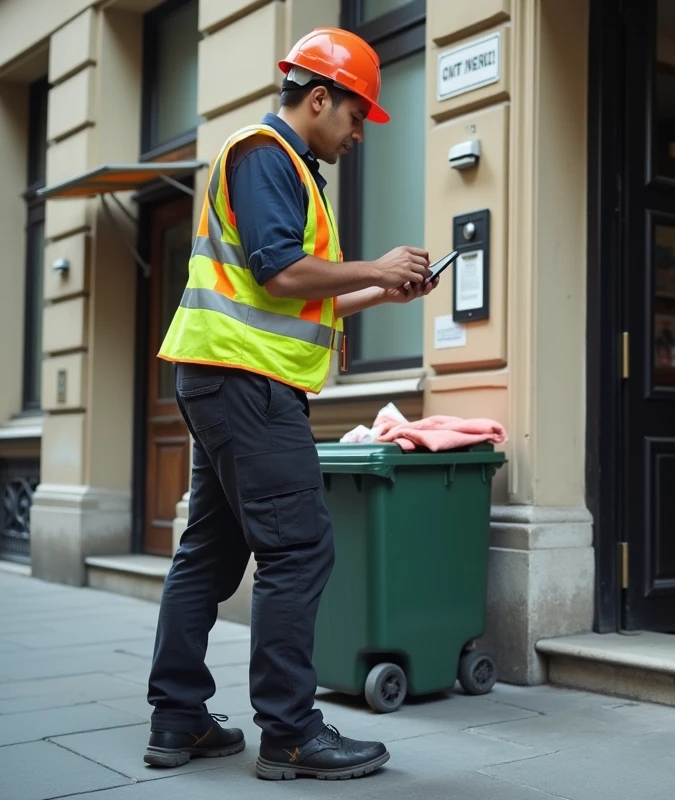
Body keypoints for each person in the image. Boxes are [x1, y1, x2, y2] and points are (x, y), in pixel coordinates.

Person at [143, 27, 434, 782]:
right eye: (357, 116)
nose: (359, 134)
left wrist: (382, 291)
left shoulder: (280, 166)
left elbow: (293, 295)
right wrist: (375, 265)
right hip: (247, 385)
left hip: (225, 376)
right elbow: (279, 272)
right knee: (298, 548)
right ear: (320, 98)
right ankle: (291, 733)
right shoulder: (268, 155)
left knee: (210, 551)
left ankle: (178, 717)